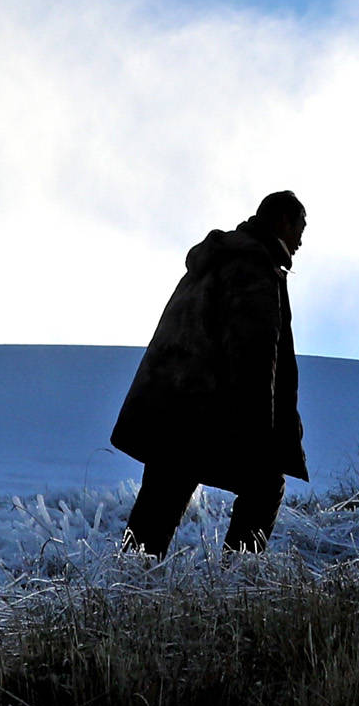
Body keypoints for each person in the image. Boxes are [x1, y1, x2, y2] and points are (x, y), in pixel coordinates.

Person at [110, 189, 308, 554]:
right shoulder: (255, 265)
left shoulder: (215, 259)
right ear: (283, 221)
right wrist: (259, 432)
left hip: (171, 405)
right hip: (208, 411)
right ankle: (238, 578)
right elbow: (254, 352)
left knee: (158, 500)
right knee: (265, 485)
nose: (300, 240)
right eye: (301, 227)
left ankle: (128, 578)